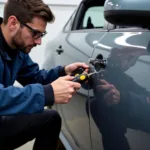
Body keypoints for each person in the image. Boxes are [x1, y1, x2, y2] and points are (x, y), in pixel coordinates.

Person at [0, 0, 89, 149]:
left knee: (50, 119)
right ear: (13, 23)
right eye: (35, 33)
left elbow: (34, 77)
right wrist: (48, 92)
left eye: (42, 35)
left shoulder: (17, 49)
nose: (39, 41)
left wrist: (63, 71)